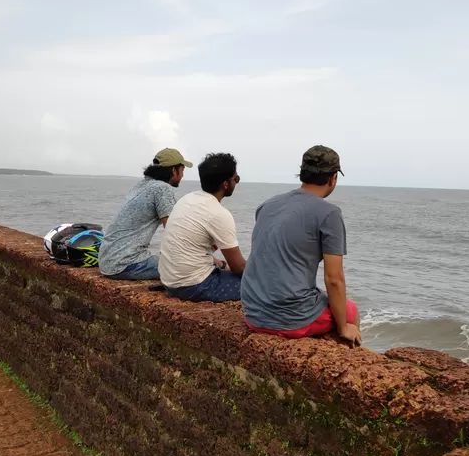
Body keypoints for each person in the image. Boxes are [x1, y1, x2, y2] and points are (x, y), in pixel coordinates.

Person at [241, 146, 361, 347]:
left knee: (322, 297)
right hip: (290, 319)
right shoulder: (329, 213)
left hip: (253, 313)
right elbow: (334, 279)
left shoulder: (267, 205)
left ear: (302, 174)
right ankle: (352, 363)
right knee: (350, 311)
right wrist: (343, 327)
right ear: (333, 178)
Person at [159, 153, 245, 302]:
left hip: (169, 280)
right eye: (236, 179)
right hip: (193, 286)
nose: (236, 182)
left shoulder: (187, 199)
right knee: (264, 285)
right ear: (225, 184)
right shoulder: (218, 214)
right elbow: (238, 267)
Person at [98, 149, 192, 280]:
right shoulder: (163, 189)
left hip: (107, 261)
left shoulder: (142, 185)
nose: (182, 175)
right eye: (182, 170)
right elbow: (173, 231)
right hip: (126, 264)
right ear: (173, 171)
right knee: (194, 268)